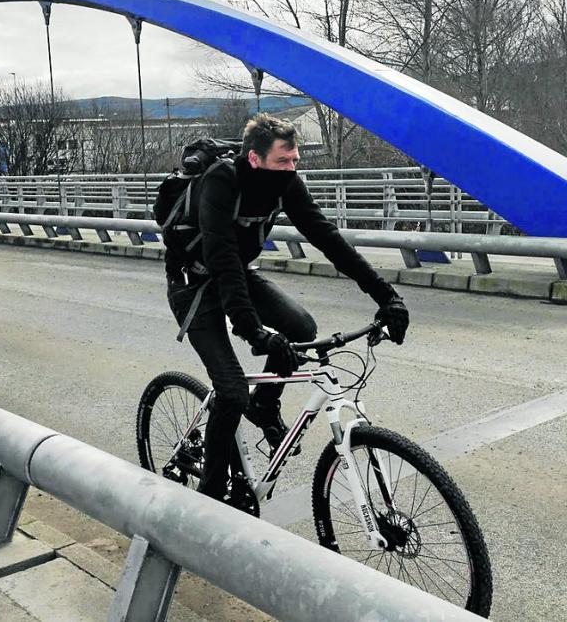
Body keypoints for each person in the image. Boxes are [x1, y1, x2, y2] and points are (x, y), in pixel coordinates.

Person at [164, 113, 410, 505]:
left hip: (237, 275)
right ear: (255, 158)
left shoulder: (287, 185)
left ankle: (264, 404)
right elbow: (223, 258)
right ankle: (206, 501)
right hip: (193, 284)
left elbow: (327, 239)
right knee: (230, 391)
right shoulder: (222, 181)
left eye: (295, 160)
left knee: (301, 327)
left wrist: (386, 296)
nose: (291, 168)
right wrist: (254, 332)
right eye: (283, 161)